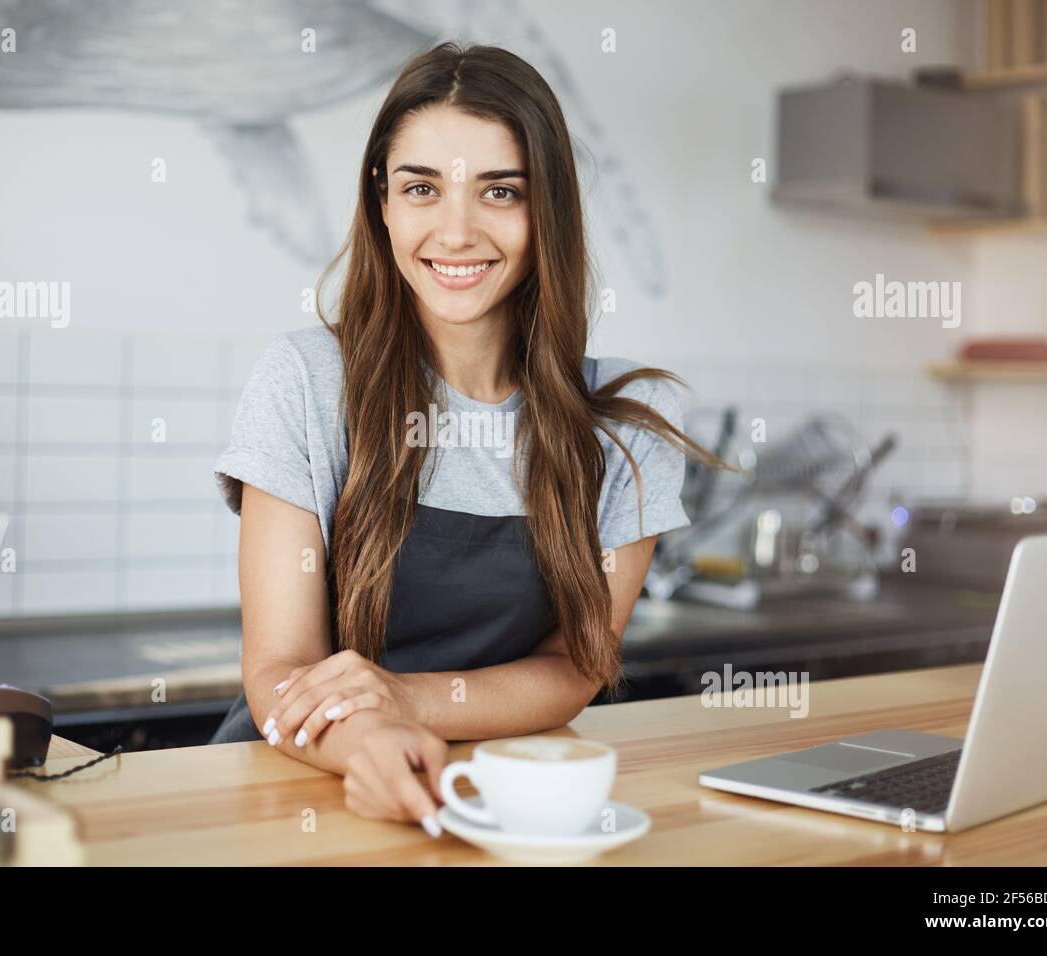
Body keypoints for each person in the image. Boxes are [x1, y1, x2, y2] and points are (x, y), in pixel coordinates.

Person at [210, 41, 722, 837]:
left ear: (546, 209)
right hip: (303, 787)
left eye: (499, 192)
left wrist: (404, 701)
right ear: (382, 202)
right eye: (422, 188)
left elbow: (574, 667)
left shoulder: (623, 425)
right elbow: (280, 670)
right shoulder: (306, 381)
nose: (456, 231)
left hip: (498, 803)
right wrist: (371, 738)